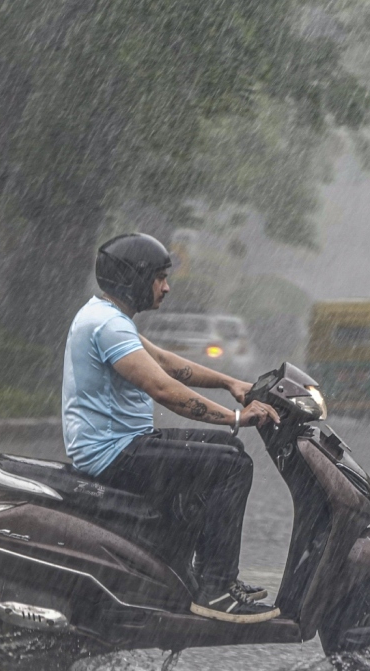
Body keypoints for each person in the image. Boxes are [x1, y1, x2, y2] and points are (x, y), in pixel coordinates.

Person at [62, 232, 281, 623]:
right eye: (160, 277)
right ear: (134, 278)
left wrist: (231, 383)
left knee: (228, 451)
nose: (167, 287)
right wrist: (234, 418)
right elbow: (163, 388)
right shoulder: (107, 326)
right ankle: (215, 588)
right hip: (114, 454)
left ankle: (196, 575)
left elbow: (164, 362)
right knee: (232, 467)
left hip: (123, 445)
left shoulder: (108, 316)